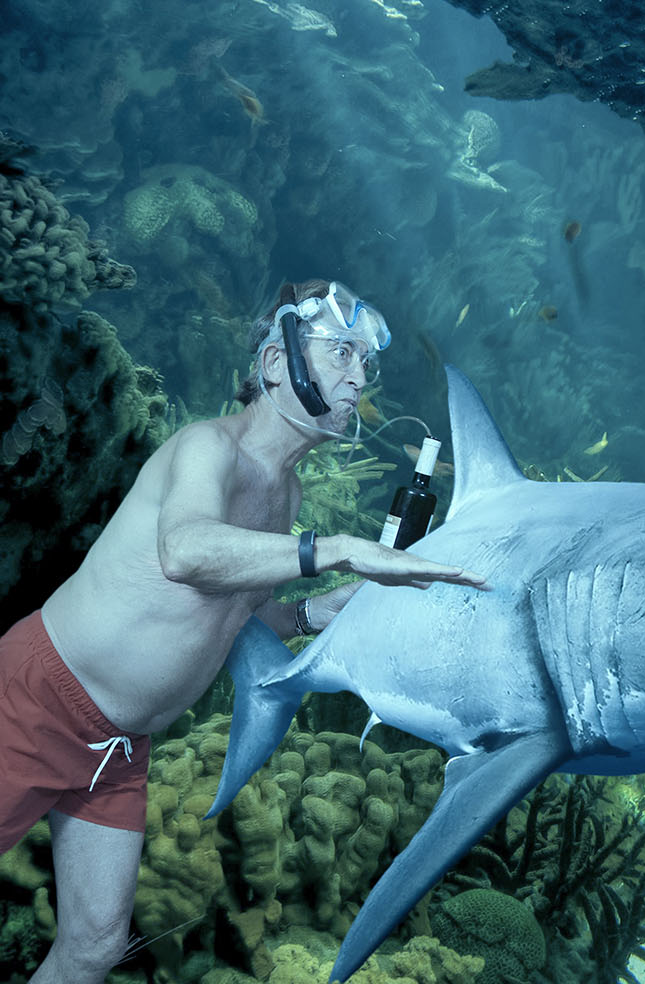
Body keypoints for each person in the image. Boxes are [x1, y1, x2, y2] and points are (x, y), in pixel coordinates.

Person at [0, 279, 487, 983]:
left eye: (366, 361)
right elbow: (186, 552)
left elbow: (236, 615)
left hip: (119, 749)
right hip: (42, 701)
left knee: (95, 946)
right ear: (275, 363)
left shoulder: (286, 493)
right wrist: (338, 549)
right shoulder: (210, 448)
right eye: (341, 352)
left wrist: (324, 610)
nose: (359, 375)